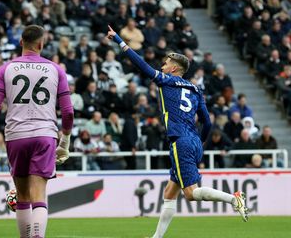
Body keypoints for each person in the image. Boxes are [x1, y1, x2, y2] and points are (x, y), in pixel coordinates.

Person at [106, 25, 248, 237]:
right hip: (194, 141)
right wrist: (200, 142)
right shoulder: (196, 89)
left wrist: (119, 40)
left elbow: (141, 65)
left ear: (174, 69)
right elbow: (208, 123)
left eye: (166, 64)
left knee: (190, 194)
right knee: (169, 193)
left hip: (180, 140)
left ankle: (233, 198)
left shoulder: (166, 81)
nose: (162, 66)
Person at [0, 25, 74, 238]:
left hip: (16, 136)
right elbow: (68, 112)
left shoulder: (5, 69)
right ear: (41, 44)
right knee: (39, 196)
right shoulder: (56, 69)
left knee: (22, 197)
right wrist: (65, 142)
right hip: (44, 135)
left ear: (21, 42)